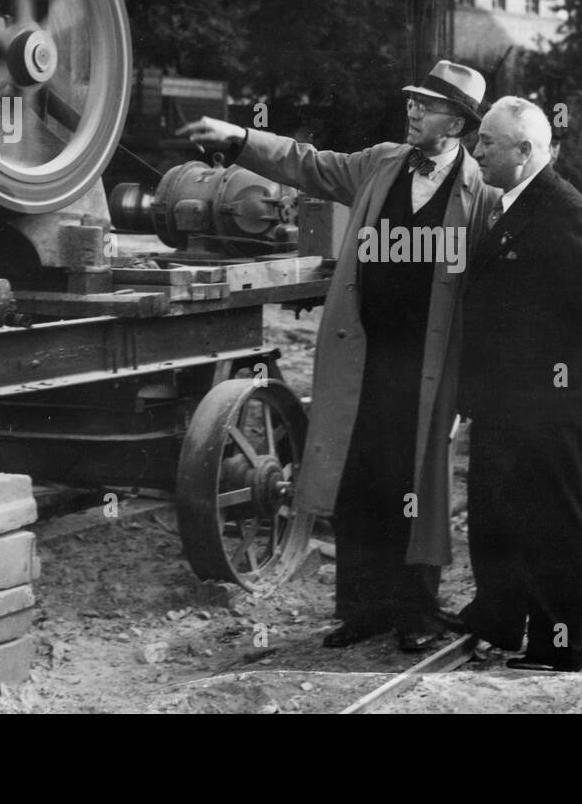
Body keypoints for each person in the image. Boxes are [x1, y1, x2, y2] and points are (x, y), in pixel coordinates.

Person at [180, 61, 497, 652]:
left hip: (427, 372)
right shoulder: (379, 164)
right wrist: (240, 139)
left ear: (455, 120)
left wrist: (472, 387)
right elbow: (306, 162)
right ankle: (362, 609)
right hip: (362, 359)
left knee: (414, 487)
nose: (411, 111)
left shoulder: (481, 195)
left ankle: (415, 613)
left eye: (425, 105)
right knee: (360, 479)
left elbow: (486, 300)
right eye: (412, 101)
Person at [457, 96, 582, 672]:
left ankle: (558, 647)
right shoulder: (511, 202)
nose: (476, 151)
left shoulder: (562, 210)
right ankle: (501, 619)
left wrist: (549, 355)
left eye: (487, 143)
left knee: (552, 523)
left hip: (549, 402)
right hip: (505, 399)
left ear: (525, 151)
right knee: (496, 511)